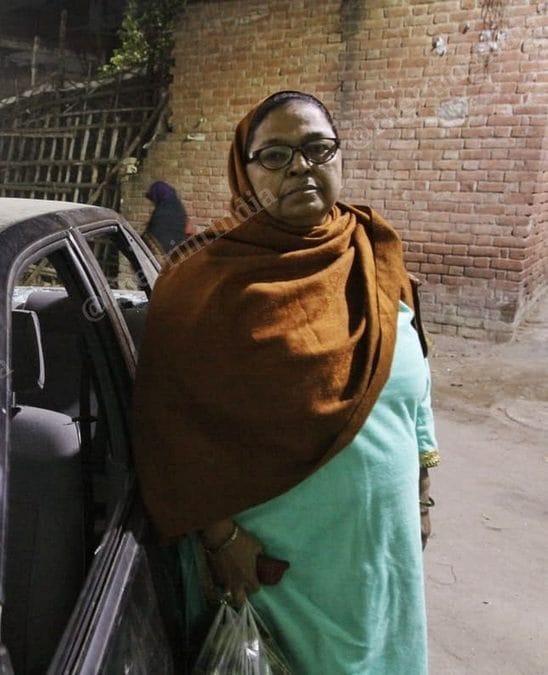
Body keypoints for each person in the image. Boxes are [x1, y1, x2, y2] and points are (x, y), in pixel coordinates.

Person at [131, 91, 440, 674]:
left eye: (318, 148)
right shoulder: (202, 279)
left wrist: (421, 492)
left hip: (384, 548)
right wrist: (220, 539)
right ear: (244, 171)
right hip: (278, 568)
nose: (300, 167)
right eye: (275, 155)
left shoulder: (372, 248)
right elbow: (169, 426)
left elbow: (414, 380)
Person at [142, 180, 191, 258]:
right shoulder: (177, 205)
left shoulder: (164, 209)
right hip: (178, 248)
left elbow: (154, 232)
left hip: (168, 251)